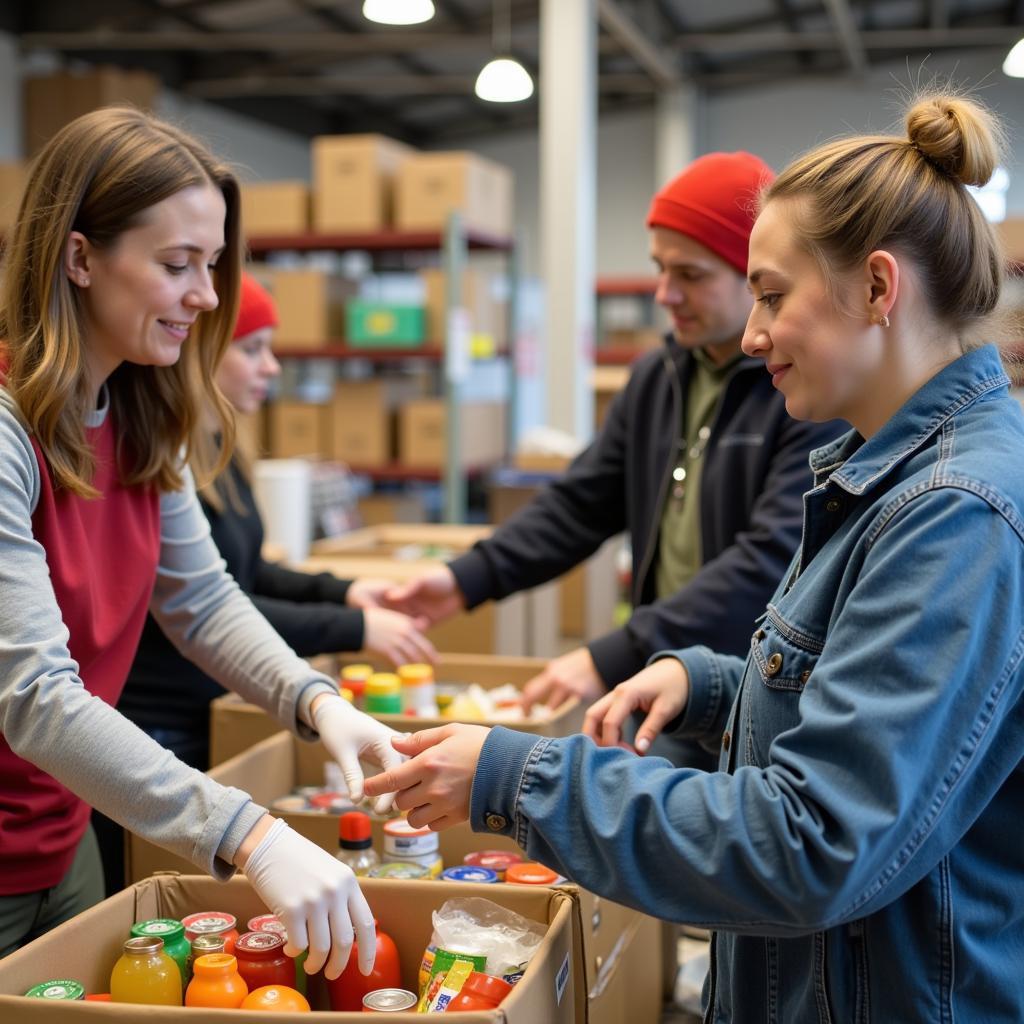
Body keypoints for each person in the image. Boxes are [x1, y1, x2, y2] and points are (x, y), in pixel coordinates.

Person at [364, 93, 1024, 1020]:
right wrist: (711, 683)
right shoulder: (884, 473)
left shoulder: (954, 514)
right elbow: (860, 702)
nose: (753, 337)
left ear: (879, 289)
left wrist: (517, 778)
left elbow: (813, 843)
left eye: (771, 296)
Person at [0, 106, 400, 979]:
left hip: (63, 838)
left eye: (212, 265)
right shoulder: (7, 434)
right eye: (177, 265)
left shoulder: (143, 412)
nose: (207, 297)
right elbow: (33, 696)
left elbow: (205, 600)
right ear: (78, 258)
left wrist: (316, 702)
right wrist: (248, 834)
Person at [382, 152, 842, 764]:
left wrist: (611, 654)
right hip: (667, 679)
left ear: (752, 274)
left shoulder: (802, 390)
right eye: (659, 270)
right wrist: (467, 578)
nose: (664, 294)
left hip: (761, 687)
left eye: (691, 274)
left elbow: (769, 560)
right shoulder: (660, 376)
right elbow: (582, 503)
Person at [116, 273, 436, 772]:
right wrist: (353, 626)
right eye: (252, 349)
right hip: (158, 724)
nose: (272, 366)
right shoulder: (154, 461)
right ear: (200, 351)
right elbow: (203, 604)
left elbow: (246, 574)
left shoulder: (219, 448)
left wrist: (343, 592)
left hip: (216, 706)